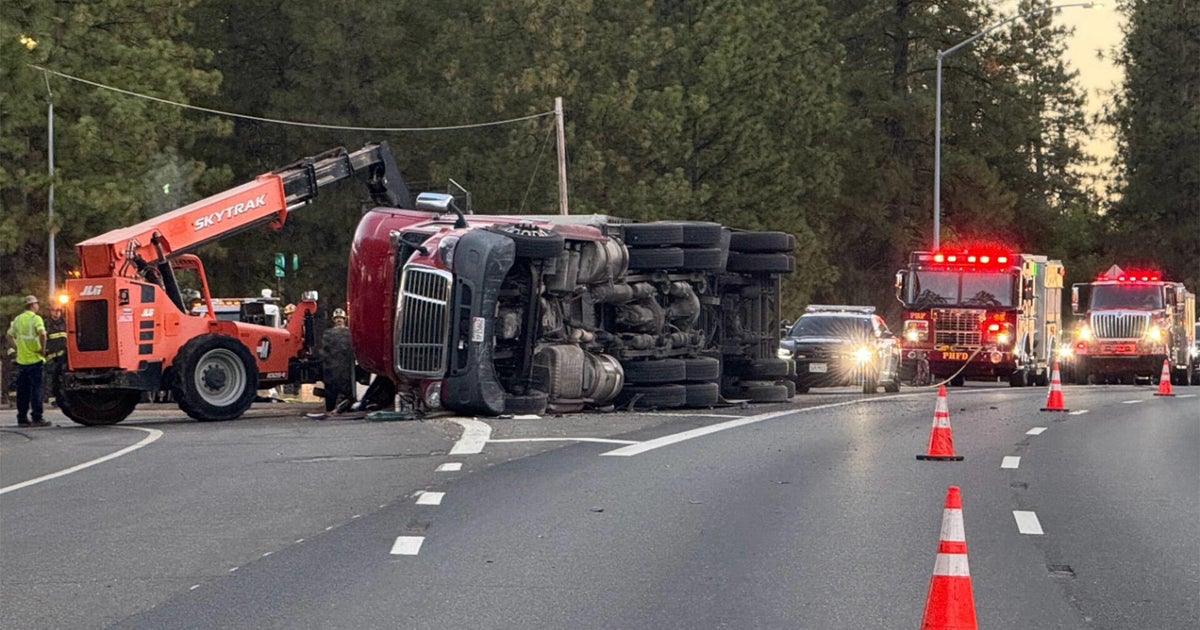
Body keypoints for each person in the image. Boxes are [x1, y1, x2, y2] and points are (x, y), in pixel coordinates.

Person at [6, 295, 50, 427]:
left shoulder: (18, 319)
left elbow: (9, 336)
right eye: (36, 304)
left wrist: (18, 348)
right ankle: (37, 417)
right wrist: (42, 349)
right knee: (36, 390)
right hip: (35, 360)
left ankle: (22, 419)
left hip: (22, 361)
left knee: (22, 392)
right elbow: (42, 334)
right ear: (33, 305)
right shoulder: (35, 319)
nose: (38, 306)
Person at [317, 308, 354, 416]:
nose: (339, 320)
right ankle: (332, 406)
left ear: (345, 319)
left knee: (348, 388)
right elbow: (325, 351)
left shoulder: (349, 332)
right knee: (331, 389)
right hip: (332, 368)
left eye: (341, 318)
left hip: (347, 367)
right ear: (334, 320)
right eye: (337, 318)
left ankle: (348, 404)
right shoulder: (329, 334)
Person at [44, 304, 67, 404]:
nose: (56, 313)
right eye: (53, 311)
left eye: (58, 311)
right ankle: (52, 397)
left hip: (63, 356)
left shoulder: (66, 323)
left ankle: (62, 397)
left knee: (63, 376)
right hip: (51, 356)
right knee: (51, 376)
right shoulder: (46, 324)